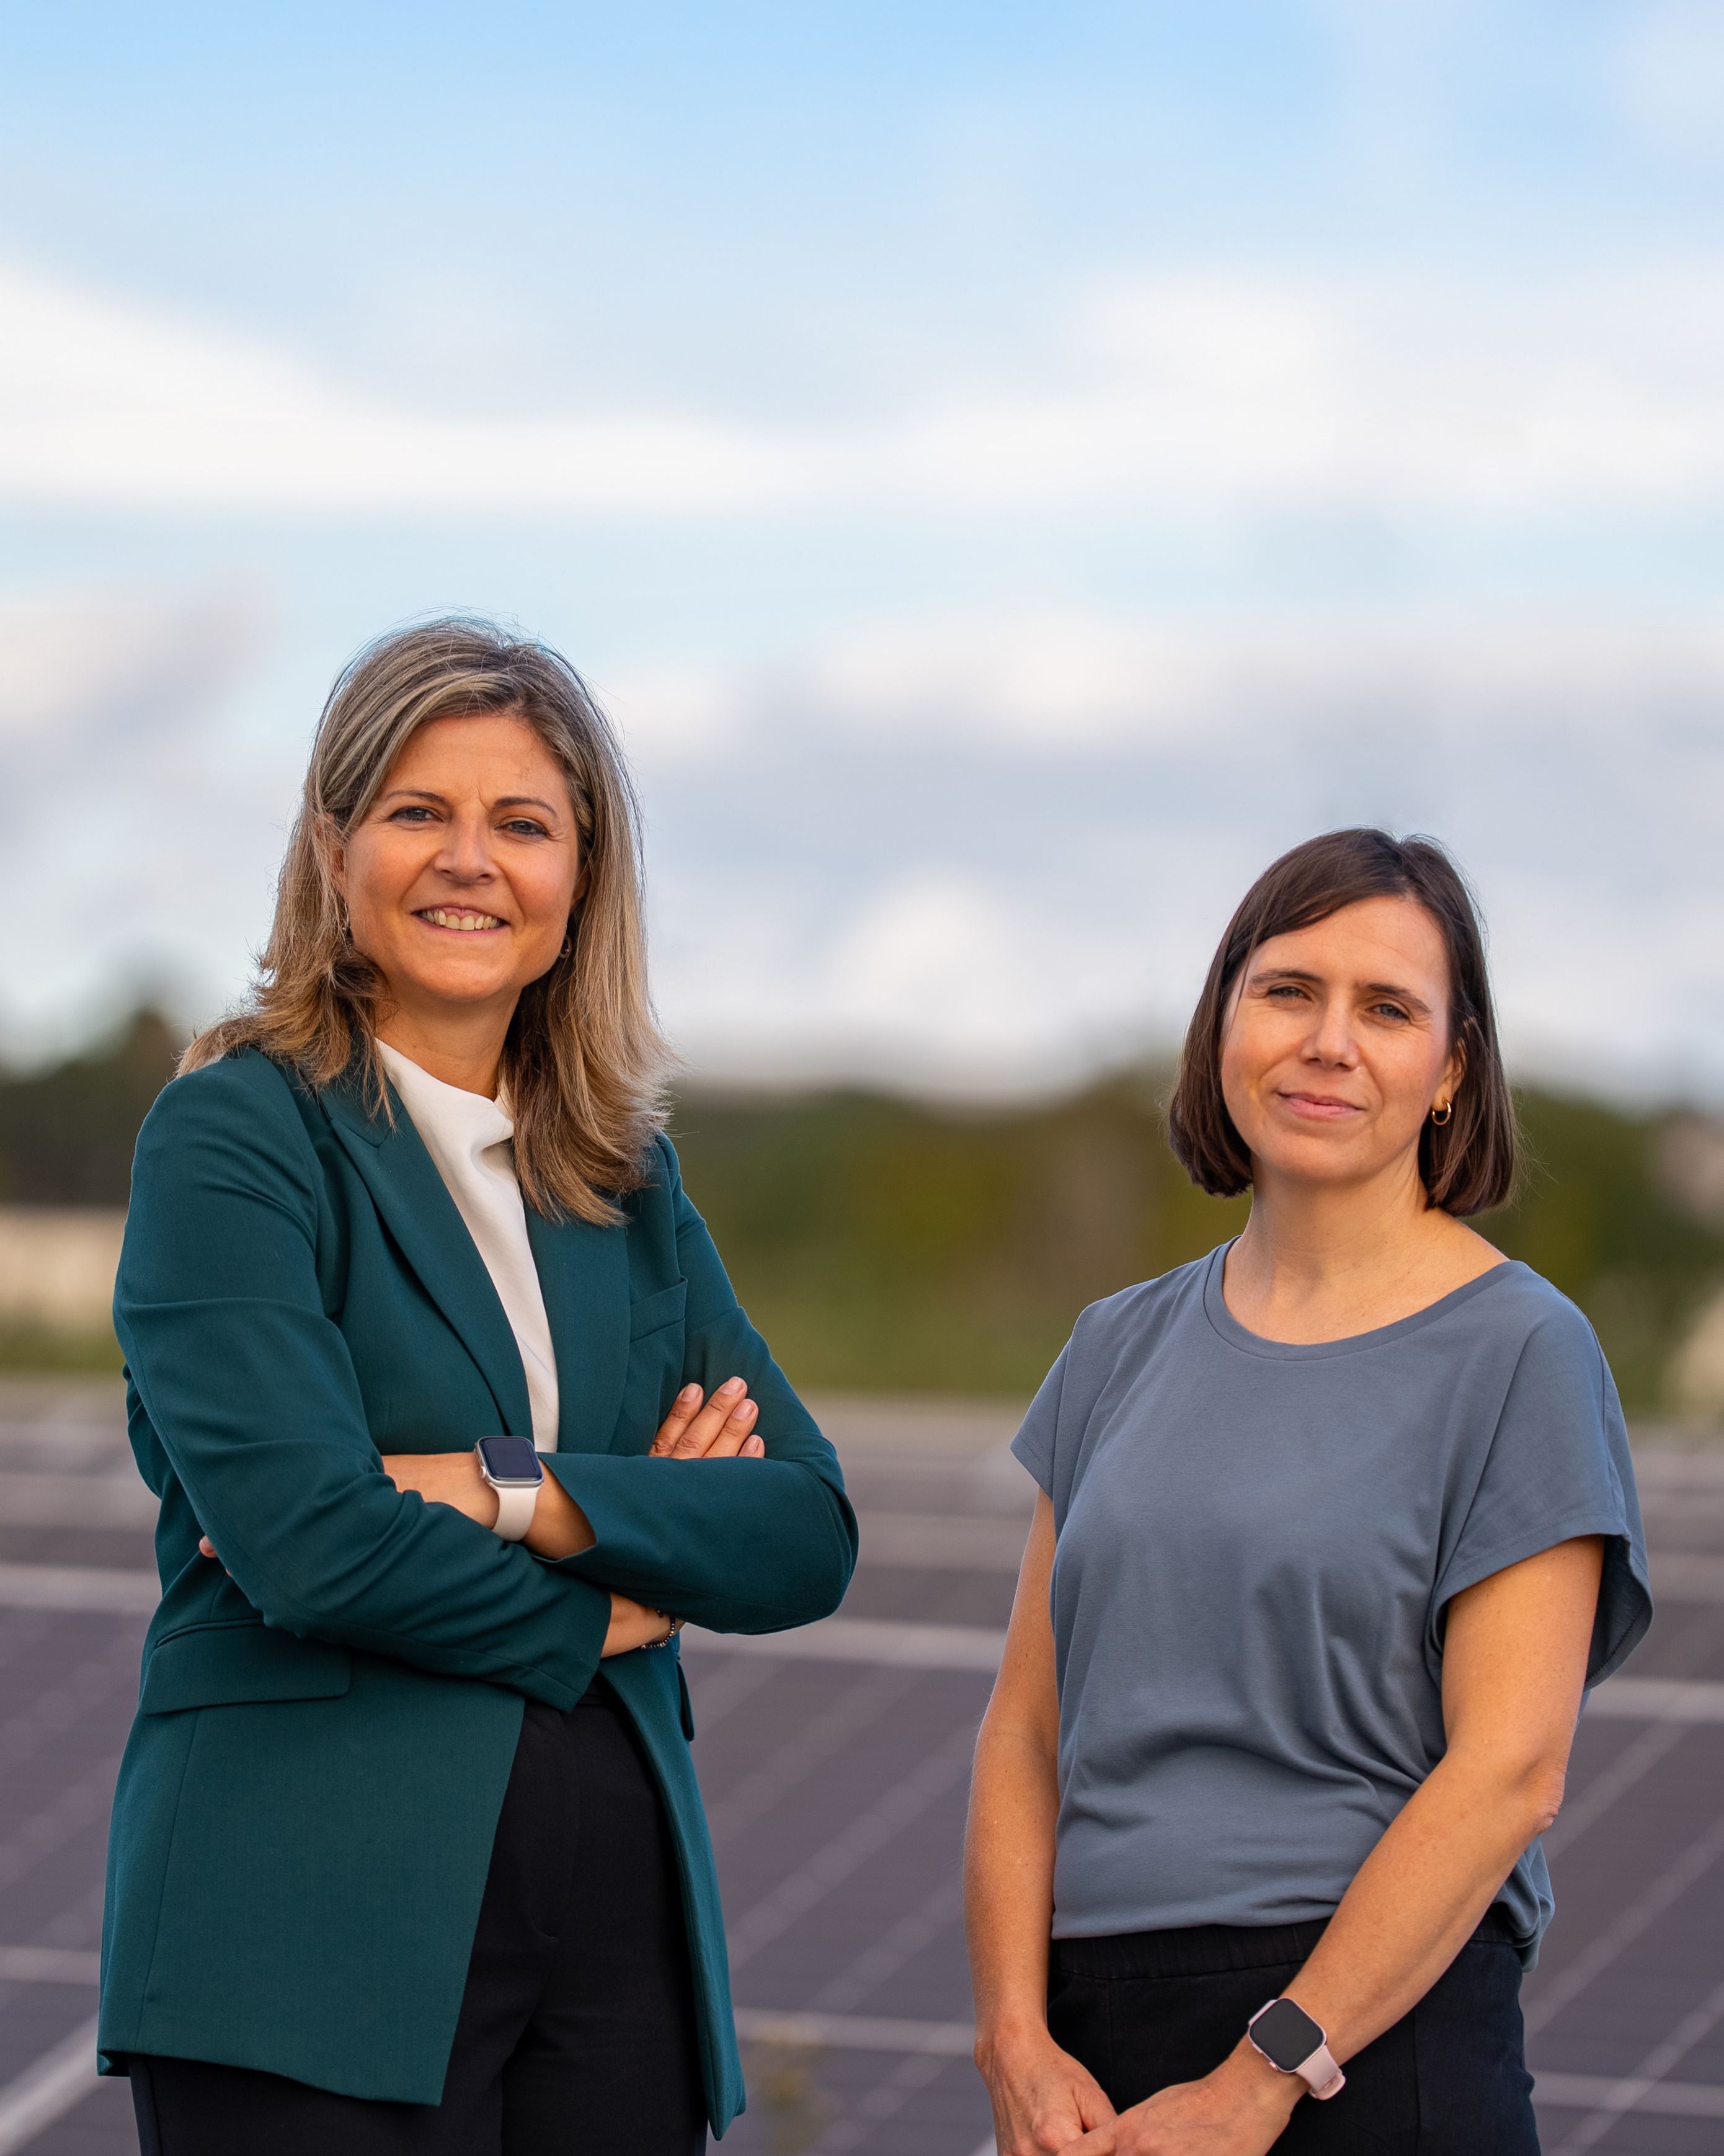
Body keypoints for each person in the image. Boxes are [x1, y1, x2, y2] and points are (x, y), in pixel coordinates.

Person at [100, 618, 857, 2155]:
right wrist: (612, 1590)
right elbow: (307, 1540)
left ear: (581, 882)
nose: (469, 861)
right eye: (416, 812)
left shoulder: (623, 1182)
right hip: (308, 1913)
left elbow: (800, 1528)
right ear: (332, 846)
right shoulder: (238, 1138)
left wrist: (509, 1489)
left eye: (522, 823)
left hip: (613, 1929)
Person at [966, 828, 1651, 2156]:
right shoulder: (1114, 1345)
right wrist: (1012, 2039)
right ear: (1224, 1021)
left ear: (1451, 1069)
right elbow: (1025, 1729)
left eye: (1387, 1008)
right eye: (1287, 990)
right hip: (1089, 2054)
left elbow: (1508, 1770)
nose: (1328, 1041)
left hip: (1360, 2053)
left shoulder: (1520, 1351)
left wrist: (1262, 2076)